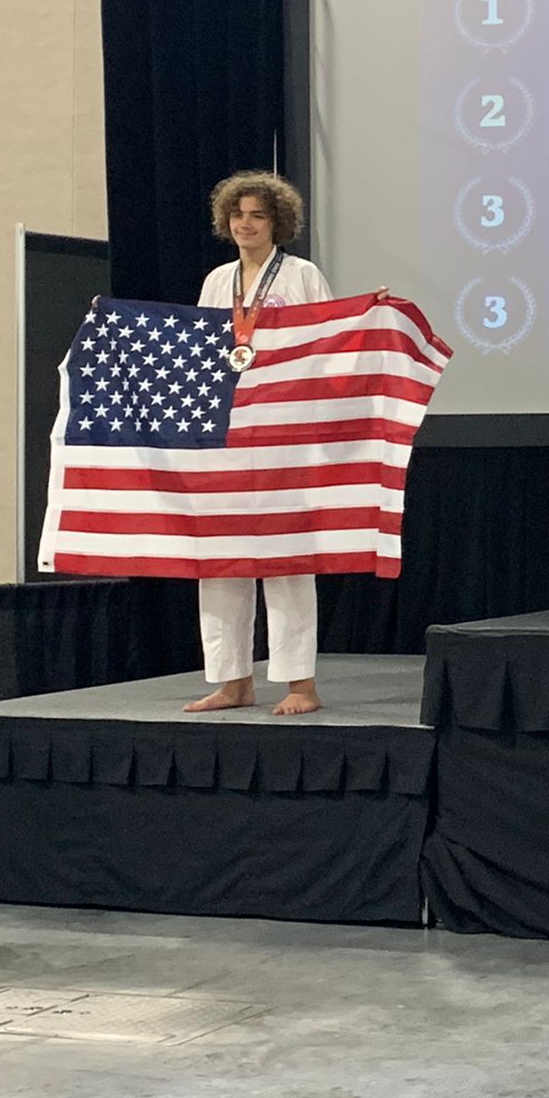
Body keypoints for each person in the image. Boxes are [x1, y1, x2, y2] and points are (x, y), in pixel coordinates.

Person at [182, 170, 334, 717]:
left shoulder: (301, 275)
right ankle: (233, 681)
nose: (245, 224)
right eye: (238, 214)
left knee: (287, 558)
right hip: (227, 429)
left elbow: (331, 340)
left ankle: (300, 684)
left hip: (284, 430)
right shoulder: (217, 281)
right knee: (221, 558)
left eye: (258, 215)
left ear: (277, 223)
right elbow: (200, 349)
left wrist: (373, 312)